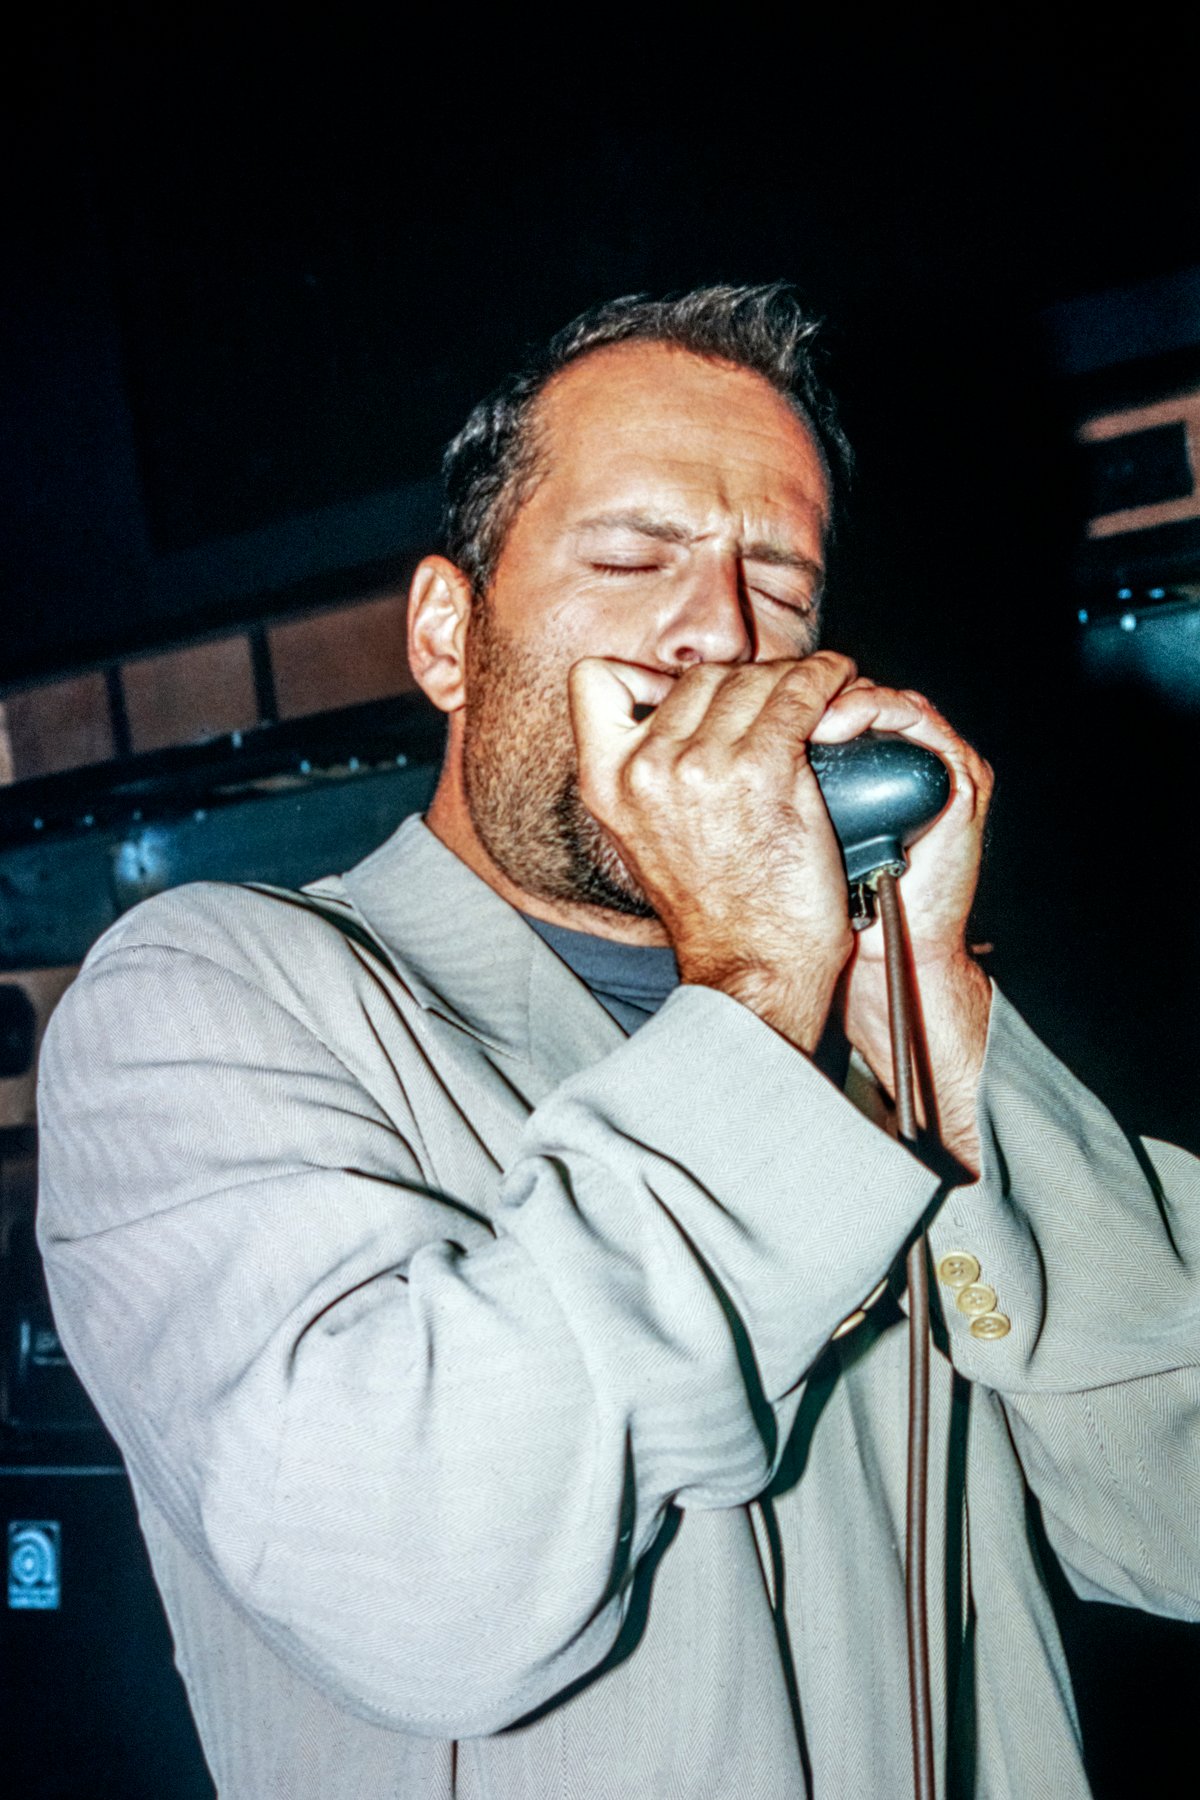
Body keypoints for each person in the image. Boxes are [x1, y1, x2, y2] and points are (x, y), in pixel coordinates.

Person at [37, 286, 1200, 1798]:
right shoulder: (212, 995)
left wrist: (941, 1017)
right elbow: (425, 1579)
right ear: (450, 637)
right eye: (634, 556)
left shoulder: (878, 1025)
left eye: (778, 584)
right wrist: (750, 1000)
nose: (717, 629)